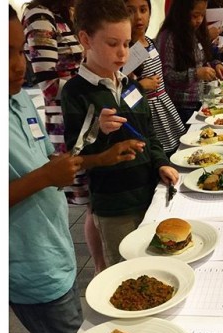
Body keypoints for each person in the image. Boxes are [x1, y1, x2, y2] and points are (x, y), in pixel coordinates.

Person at [61, 0, 179, 267]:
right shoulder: (76, 92)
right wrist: (98, 130)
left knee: (156, 262)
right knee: (126, 268)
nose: (123, 53)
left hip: (149, 193)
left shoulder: (130, 86)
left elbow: (150, 134)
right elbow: (75, 154)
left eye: (126, 44)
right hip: (114, 206)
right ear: (85, 39)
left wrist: (160, 163)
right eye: (112, 44)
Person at [9, 4, 84, 333]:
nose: (19, 64)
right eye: (3, 54)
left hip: (54, 246)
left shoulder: (17, 96)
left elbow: (37, 153)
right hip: (31, 266)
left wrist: (51, 166)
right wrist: (46, 176)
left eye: (19, 50)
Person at [22, 0, 107, 275]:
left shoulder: (64, 14)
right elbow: (48, 84)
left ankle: (104, 263)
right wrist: (95, 85)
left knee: (99, 196)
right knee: (92, 203)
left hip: (91, 115)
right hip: (69, 121)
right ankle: (99, 267)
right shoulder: (39, 15)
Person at [125, 0, 186, 157]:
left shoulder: (150, 42)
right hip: (148, 110)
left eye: (143, 10)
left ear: (149, 13)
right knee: (160, 151)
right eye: (130, 11)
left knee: (176, 149)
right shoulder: (127, 50)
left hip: (163, 104)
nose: (138, 17)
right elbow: (121, 89)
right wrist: (140, 85)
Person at [156, 0, 223, 126]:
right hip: (182, 107)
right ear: (182, 13)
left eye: (202, 15)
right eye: (195, 15)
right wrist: (195, 74)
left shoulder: (196, 31)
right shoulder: (168, 37)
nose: (199, 20)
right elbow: (166, 76)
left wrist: (216, 64)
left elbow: (205, 58)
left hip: (200, 100)